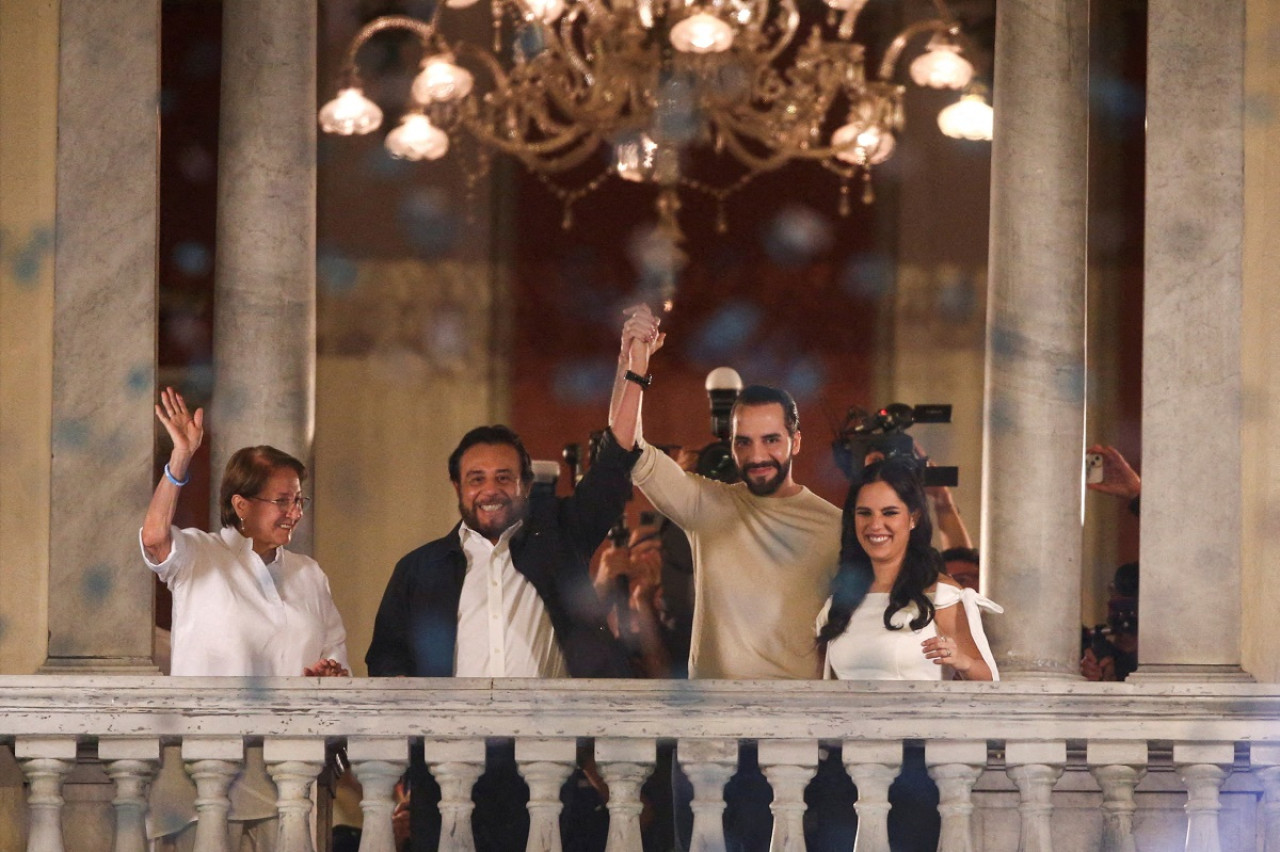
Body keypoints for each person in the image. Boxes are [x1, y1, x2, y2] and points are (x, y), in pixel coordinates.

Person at [364, 422, 637, 852]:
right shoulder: (419, 569)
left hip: (546, 763)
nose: (490, 490)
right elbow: (386, 659)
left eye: (504, 477)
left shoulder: (558, 547)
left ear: (526, 484)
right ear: (456, 485)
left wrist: (634, 370)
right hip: (446, 768)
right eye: (477, 478)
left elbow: (612, 470)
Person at [140, 387, 349, 851]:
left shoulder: (309, 574)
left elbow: (335, 660)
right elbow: (154, 539)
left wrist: (331, 674)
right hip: (205, 773)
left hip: (288, 771)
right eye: (282, 501)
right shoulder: (202, 554)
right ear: (241, 505)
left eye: (299, 501)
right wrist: (180, 459)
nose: (295, 513)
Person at [609, 305, 843, 680]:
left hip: (797, 725)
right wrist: (632, 364)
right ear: (730, 443)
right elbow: (626, 445)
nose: (757, 456)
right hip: (711, 726)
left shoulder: (836, 525)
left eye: (771, 440)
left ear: (796, 441)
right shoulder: (707, 505)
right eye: (744, 442)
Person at [815, 457, 1001, 851]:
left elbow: (987, 680)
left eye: (889, 513)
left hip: (914, 770)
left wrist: (961, 661)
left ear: (913, 518)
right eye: (864, 513)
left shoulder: (942, 593)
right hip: (842, 770)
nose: (875, 525)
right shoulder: (839, 600)